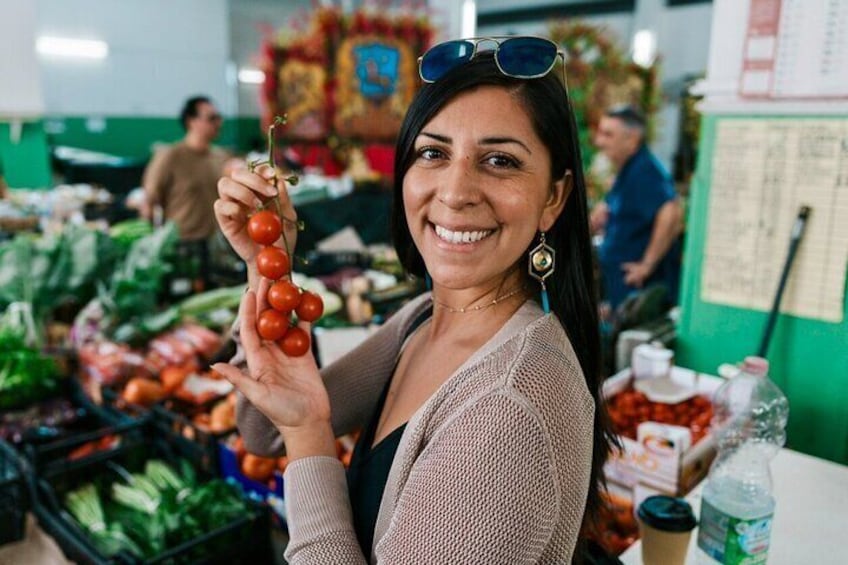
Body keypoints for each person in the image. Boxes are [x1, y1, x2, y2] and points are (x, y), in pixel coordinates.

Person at [212, 38, 615, 564]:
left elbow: (296, 431)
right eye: (433, 153)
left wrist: (310, 437)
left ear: (553, 198)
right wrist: (268, 262)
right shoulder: (423, 319)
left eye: (499, 160)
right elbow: (265, 427)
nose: (454, 191)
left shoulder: (509, 405)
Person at [590, 105, 683, 311]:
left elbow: (671, 211)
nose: (599, 141)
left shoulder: (644, 171)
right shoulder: (628, 170)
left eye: (608, 135)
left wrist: (647, 265)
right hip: (622, 288)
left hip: (640, 288)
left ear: (632, 139)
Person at [141, 95, 228, 286]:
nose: (218, 123)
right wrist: (150, 246)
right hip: (182, 247)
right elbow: (149, 201)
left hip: (214, 245)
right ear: (192, 121)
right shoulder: (170, 156)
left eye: (219, 117)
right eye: (211, 118)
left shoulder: (219, 157)